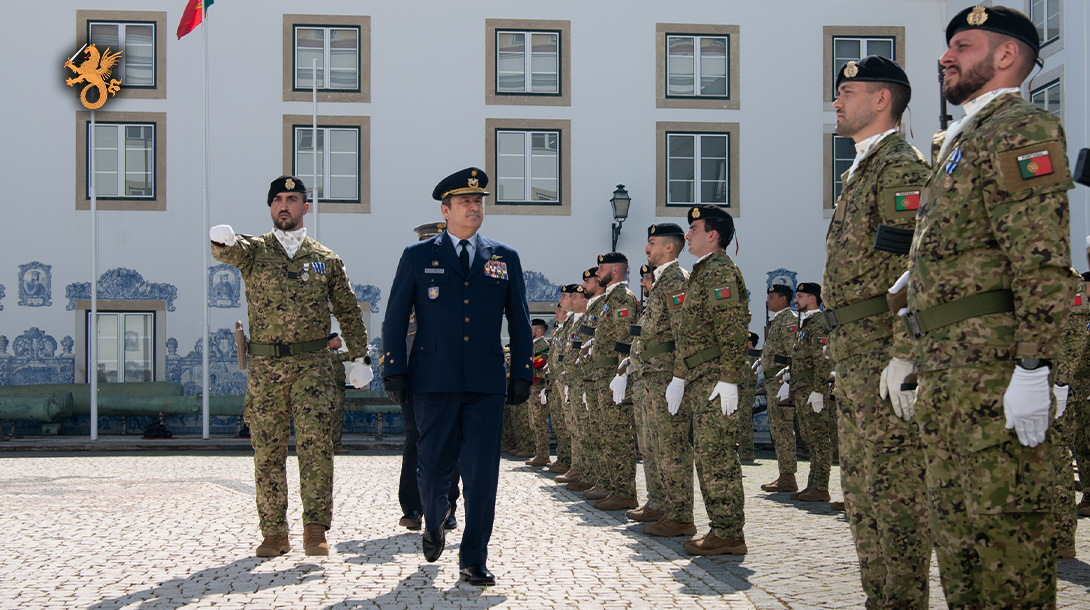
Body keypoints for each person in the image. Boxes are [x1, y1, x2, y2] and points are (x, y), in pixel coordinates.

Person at [908, 7, 1076, 607]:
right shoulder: (961, 138)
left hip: (992, 371)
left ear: (1006, 56)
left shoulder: (1021, 127)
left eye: (963, 45)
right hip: (949, 371)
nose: (945, 57)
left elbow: (1041, 261)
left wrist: (1033, 367)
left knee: (1007, 547)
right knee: (957, 547)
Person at [382, 167, 532, 586]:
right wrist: (394, 368)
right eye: (465, 201)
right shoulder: (418, 256)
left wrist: (521, 372)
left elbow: (520, 320)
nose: (474, 207)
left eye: (479, 201)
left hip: (485, 382)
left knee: (482, 475)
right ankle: (433, 519)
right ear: (445, 211)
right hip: (433, 381)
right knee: (432, 470)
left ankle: (473, 559)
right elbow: (395, 316)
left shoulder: (503, 257)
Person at [209, 175, 372, 558]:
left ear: (305, 207)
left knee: (316, 448)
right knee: (267, 451)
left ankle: (315, 529)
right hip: (266, 368)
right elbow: (228, 252)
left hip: (313, 366)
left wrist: (360, 357)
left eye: (292, 199)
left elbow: (348, 310)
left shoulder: (325, 259)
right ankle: (274, 533)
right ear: (271, 207)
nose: (285, 205)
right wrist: (222, 243)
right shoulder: (255, 251)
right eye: (278, 199)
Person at [822, 53, 932, 607]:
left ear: (882, 99)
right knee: (861, 492)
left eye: (848, 93)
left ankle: (903, 600)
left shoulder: (901, 169)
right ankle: (879, 599)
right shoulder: (862, 170)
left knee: (896, 493)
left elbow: (919, 267)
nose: (836, 103)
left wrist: (905, 353)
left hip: (882, 351)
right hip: (856, 351)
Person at [663, 205, 751, 555]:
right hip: (700, 376)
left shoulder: (719, 270)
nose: (687, 235)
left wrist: (729, 378)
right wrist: (680, 376)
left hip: (714, 377)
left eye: (694, 229)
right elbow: (690, 332)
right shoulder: (704, 271)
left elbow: (732, 328)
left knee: (717, 454)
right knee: (706, 453)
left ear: (713, 235)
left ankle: (728, 532)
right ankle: (722, 528)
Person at [391, 221, 461, 533]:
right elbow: (393, 327)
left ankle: (446, 507)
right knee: (415, 439)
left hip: (451, 377)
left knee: (450, 441)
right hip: (414, 378)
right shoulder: (408, 283)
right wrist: (394, 371)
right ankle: (413, 507)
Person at [621, 223, 689, 530]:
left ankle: (680, 515)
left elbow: (683, 331)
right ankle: (659, 503)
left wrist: (679, 377)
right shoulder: (662, 282)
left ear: (669, 247)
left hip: (664, 376)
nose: (646, 248)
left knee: (671, 447)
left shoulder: (676, 280)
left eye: (652, 242)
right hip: (650, 375)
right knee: (651, 445)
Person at [583, 253, 640, 510]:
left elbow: (624, 339)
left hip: (613, 375)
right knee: (606, 433)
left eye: (602, 267)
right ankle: (611, 485)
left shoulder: (623, 298)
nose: (598, 272)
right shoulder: (610, 298)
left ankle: (625, 491)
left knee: (618, 435)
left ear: (615, 270)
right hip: (603, 375)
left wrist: (622, 373)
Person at [783, 283, 834, 503]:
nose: (796, 300)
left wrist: (819, 390)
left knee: (819, 438)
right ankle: (813, 485)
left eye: (800, 296)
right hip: (802, 388)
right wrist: (790, 373)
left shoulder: (819, 323)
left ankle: (821, 487)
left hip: (813, 389)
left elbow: (822, 360)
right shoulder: (805, 322)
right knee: (810, 438)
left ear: (812, 299)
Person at [1052, 269, 1087, 559]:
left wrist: (1060, 381)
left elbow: (1075, 334)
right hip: (1010, 379)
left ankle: (1062, 537)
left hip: (1050, 383)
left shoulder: (1066, 276)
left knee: (1055, 455)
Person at [759, 284, 798, 492]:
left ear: (783, 299)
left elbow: (793, 353)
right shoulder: (779, 320)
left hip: (781, 382)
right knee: (778, 429)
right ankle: (785, 474)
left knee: (783, 429)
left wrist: (788, 382)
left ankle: (788, 477)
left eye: (772, 297)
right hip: (774, 381)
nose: (768, 301)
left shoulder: (788, 320)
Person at [556, 281, 593, 490]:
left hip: (581, 380)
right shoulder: (571, 321)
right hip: (570, 380)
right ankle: (577, 468)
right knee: (574, 427)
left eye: (572, 297)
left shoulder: (586, 319)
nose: (568, 300)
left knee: (584, 429)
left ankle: (585, 472)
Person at [544, 294, 574, 474]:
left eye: (559, 310)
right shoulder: (559, 331)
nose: (556, 312)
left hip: (565, 379)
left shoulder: (570, 326)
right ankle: (563, 458)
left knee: (567, 422)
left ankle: (570, 461)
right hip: (556, 380)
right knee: (558, 422)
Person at [526, 318, 553, 467]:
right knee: (533, 422)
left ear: (539, 331)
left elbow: (541, 366)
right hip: (532, 388)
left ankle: (543, 455)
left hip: (538, 387)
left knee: (539, 422)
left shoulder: (543, 346)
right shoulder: (533, 345)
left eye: (531, 329)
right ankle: (539, 454)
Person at [327, 333, 353, 455]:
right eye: (338, 339)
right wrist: (357, 353)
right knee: (336, 417)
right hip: (334, 390)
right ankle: (334, 445)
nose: (341, 341)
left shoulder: (335, 352)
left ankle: (334, 443)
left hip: (339, 389)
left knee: (337, 416)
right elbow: (341, 357)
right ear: (330, 342)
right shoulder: (328, 353)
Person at [738, 332, 760, 462]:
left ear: (750, 342)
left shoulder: (752, 355)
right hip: (744, 390)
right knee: (742, 420)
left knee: (745, 421)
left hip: (747, 390)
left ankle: (747, 451)